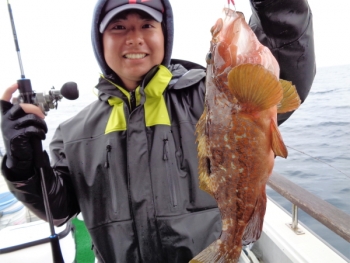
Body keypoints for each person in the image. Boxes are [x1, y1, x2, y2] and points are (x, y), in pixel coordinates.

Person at [0, 0, 315, 262]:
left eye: (147, 26)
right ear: (100, 42)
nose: (134, 38)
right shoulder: (73, 132)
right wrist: (23, 164)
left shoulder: (210, 96)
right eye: (119, 27)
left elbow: (285, 67)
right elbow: (57, 207)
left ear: (165, 36)